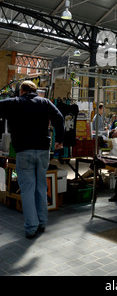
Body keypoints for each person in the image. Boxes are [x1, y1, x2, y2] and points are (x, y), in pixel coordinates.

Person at [0, 80, 64, 238]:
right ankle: (42, 222)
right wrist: (59, 140)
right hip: (43, 150)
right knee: (41, 187)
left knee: (27, 190)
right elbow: (60, 117)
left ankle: (31, 227)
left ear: (21, 90)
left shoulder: (15, 102)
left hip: (24, 151)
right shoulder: (44, 102)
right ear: (35, 91)